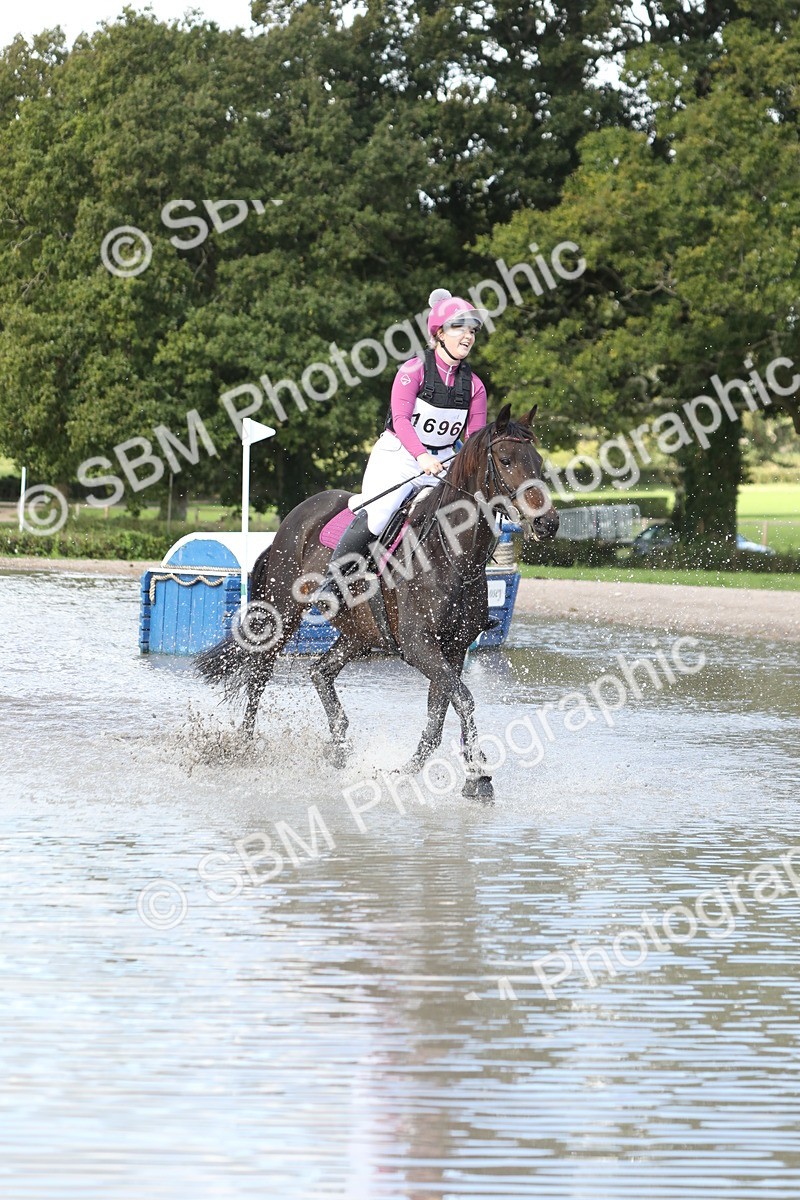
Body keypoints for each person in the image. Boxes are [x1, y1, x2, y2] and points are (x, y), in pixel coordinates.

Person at [312, 288, 489, 606]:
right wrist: (421, 456)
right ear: (439, 334)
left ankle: (466, 601)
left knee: (467, 516)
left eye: (472, 330)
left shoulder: (475, 386)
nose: (468, 336)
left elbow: (474, 440)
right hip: (400, 456)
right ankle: (332, 583)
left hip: (444, 460)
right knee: (379, 513)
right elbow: (402, 420)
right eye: (460, 328)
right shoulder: (413, 370)